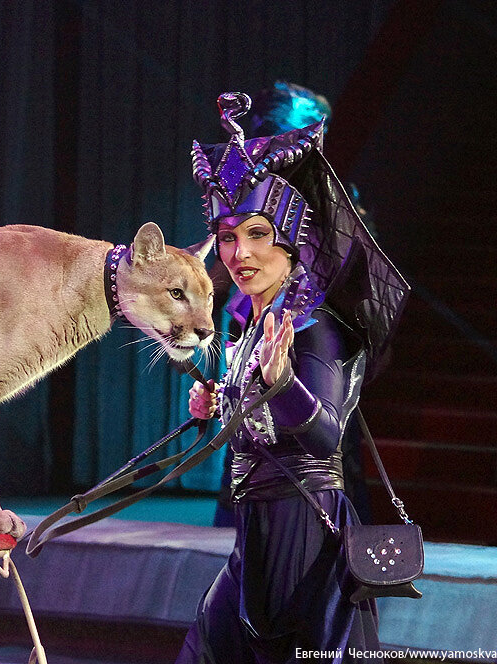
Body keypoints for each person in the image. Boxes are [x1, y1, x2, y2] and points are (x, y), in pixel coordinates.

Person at [175, 92, 408, 663]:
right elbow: (257, 421)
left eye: (256, 233)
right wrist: (218, 401)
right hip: (254, 536)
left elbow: (327, 437)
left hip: (308, 539)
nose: (238, 252)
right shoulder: (253, 322)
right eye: (228, 236)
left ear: (290, 240)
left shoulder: (315, 328)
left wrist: (283, 384)